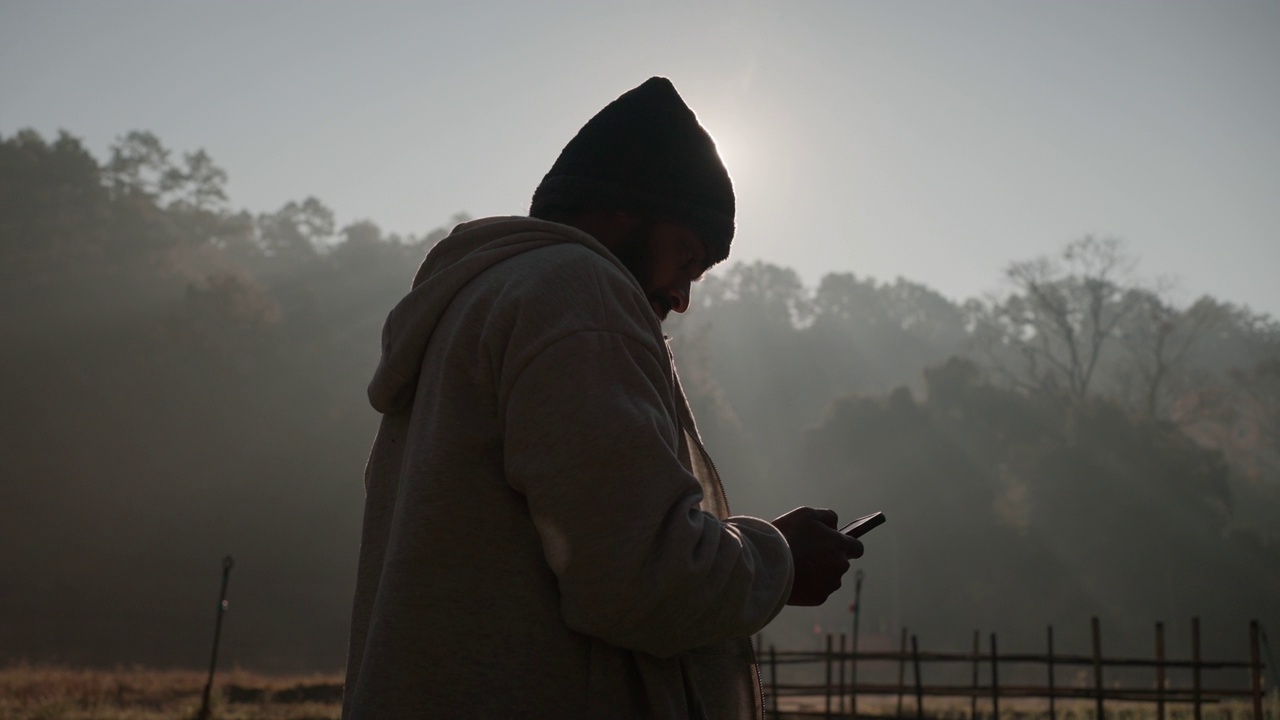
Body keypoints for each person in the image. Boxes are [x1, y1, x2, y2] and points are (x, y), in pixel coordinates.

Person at [341, 77, 863, 720]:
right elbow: (640, 579)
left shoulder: (483, 302)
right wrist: (779, 561)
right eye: (686, 256)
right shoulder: (577, 294)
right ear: (623, 210)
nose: (681, 297)